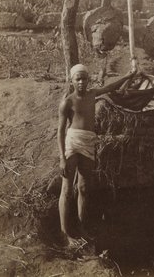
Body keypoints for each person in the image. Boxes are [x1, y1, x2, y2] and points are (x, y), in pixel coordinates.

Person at [57, 63, 135, 245]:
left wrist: (128, 76)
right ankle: (64, 232)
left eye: (85, 78)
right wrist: (62, 157)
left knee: (84, 188)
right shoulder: (67, 102)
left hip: (88, 142)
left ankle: (82, 227)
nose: (82, 82)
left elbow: (110, 87)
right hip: (72, 143)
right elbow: (60, 131)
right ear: (72, 80)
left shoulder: (92, 95)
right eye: (78, 79)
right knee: (67, 189)